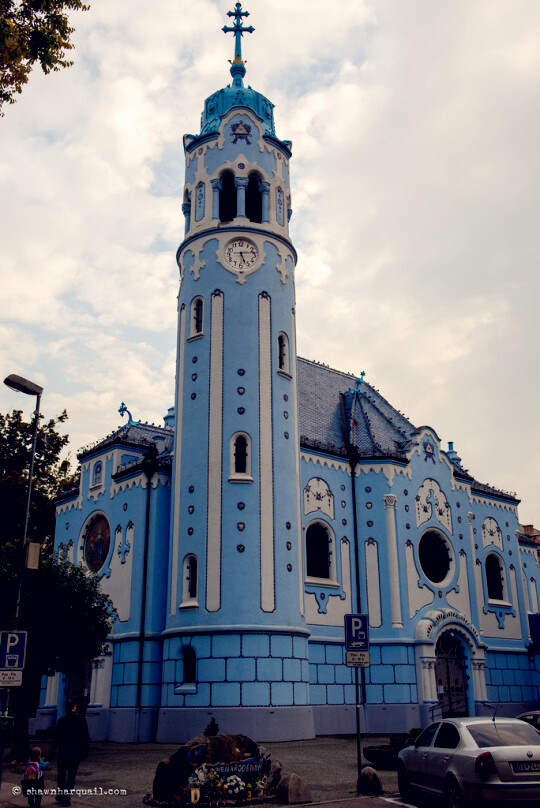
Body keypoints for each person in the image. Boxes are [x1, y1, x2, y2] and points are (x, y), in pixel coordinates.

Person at [52, 699, 90, 807]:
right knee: (71, 775)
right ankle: (67, 798)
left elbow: (56, 738)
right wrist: (85, 752)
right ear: (74, 707)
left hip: (63, 751)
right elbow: (85, 737)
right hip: (75, 753)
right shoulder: (81, 719)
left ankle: (60, 795)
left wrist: (50, 754)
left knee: (61, 775)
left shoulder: (61, 721)